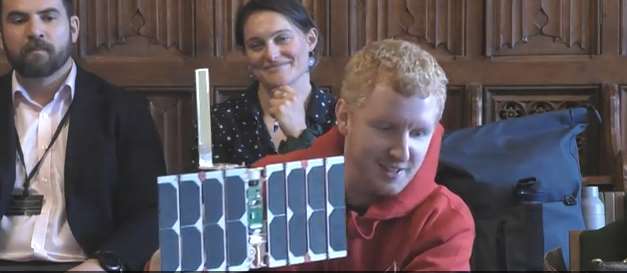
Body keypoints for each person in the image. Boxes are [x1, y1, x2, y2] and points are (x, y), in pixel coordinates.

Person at [253, 39, 475, 271]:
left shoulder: (443, 220)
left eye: (419, 133)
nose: (401, 152)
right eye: (385, 128)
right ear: (344, 117)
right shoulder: (266, 186)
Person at [0, 0, 165, 271]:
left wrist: (106, 264)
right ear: (1, 35)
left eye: (49, 17)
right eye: (19, 20)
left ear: (73, 28)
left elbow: (151, 211)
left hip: (87, 265)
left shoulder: (123, 110)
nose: (35, 30)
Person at [211, 0, 336, 166]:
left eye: (282, 38)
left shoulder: (342, 115)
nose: (271, 54)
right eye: (256, 45)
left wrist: (299, 134)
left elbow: (338, 189)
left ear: (311, 40)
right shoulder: (221, 119)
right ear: (246, 54)